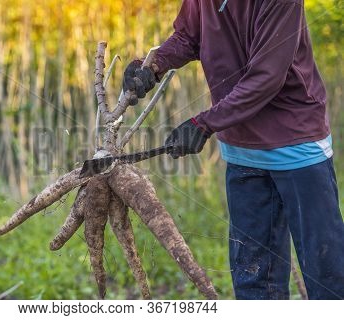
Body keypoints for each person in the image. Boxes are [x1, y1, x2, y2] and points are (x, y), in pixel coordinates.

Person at [122, 0, 344, 300]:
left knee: (327, 277)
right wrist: (154, 66)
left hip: (296, 147)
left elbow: (266, 77)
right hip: (242, 153)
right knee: (252, 281)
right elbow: (188, 36)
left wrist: (204, 123)